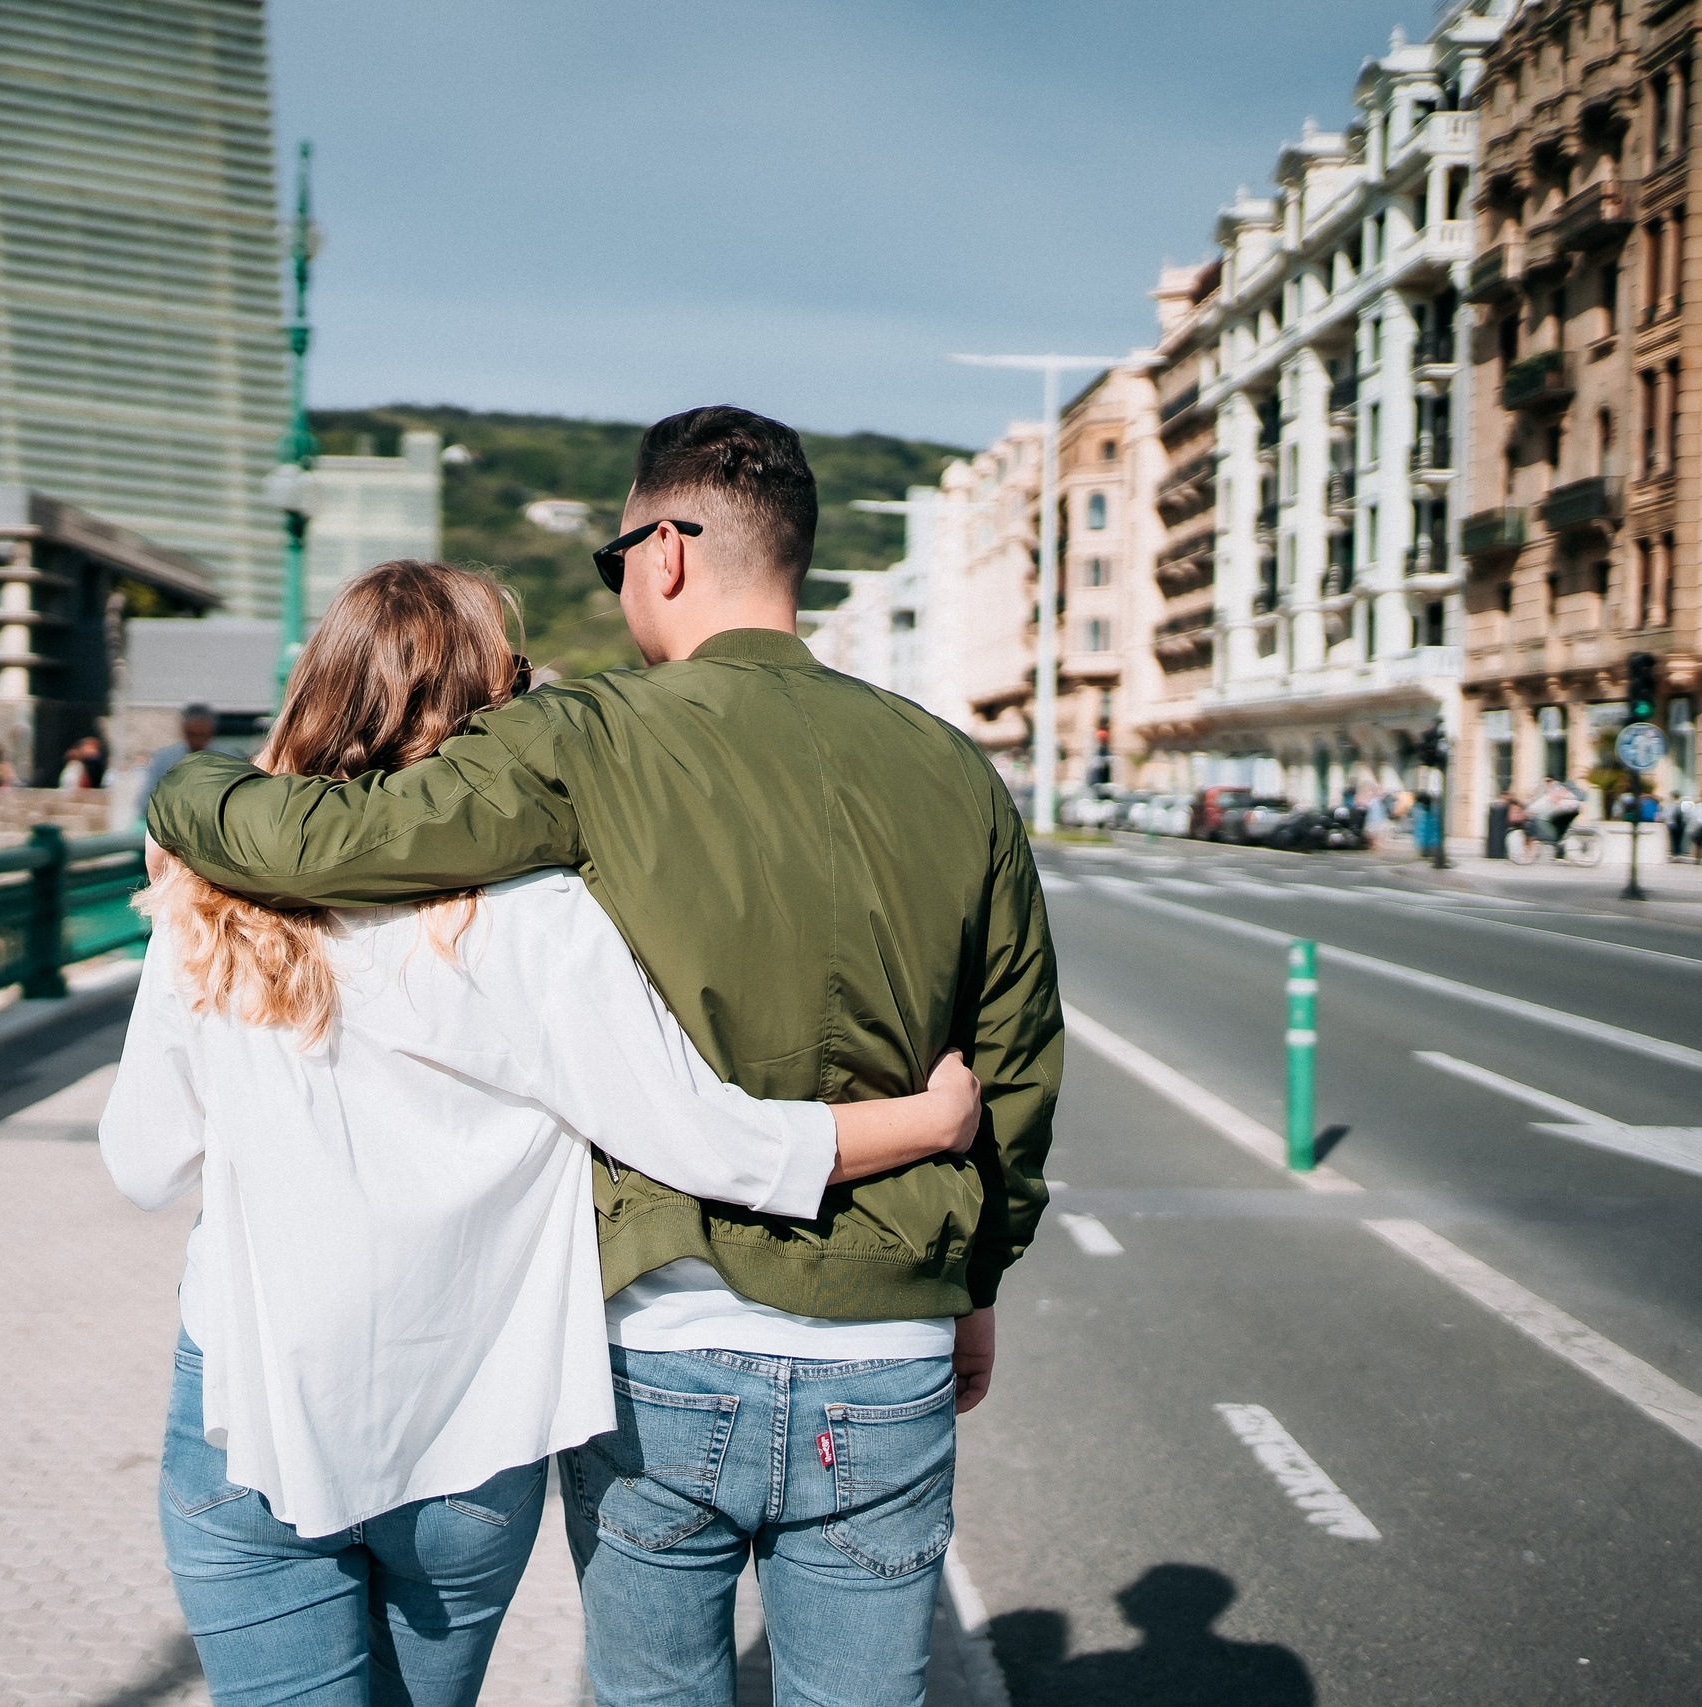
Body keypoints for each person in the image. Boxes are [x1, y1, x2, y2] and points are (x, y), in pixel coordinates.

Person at [150, 406, 1061, 1707]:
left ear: (669, 548)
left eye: (616, 556)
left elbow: (325, 844)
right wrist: (974, 1281)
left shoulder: (588, 740)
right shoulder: (956, 770)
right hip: (893, 1333)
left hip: (664, 1337)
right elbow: (1016, 1061)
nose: (623, 582)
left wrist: (176, 790)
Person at [138, 704, 217, 814]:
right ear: (183, 731)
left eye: (202, 735)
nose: (197, 741)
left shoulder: (228, 760)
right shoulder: (163, 759)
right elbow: (146, 802)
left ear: (210, 732)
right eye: (192, 734)